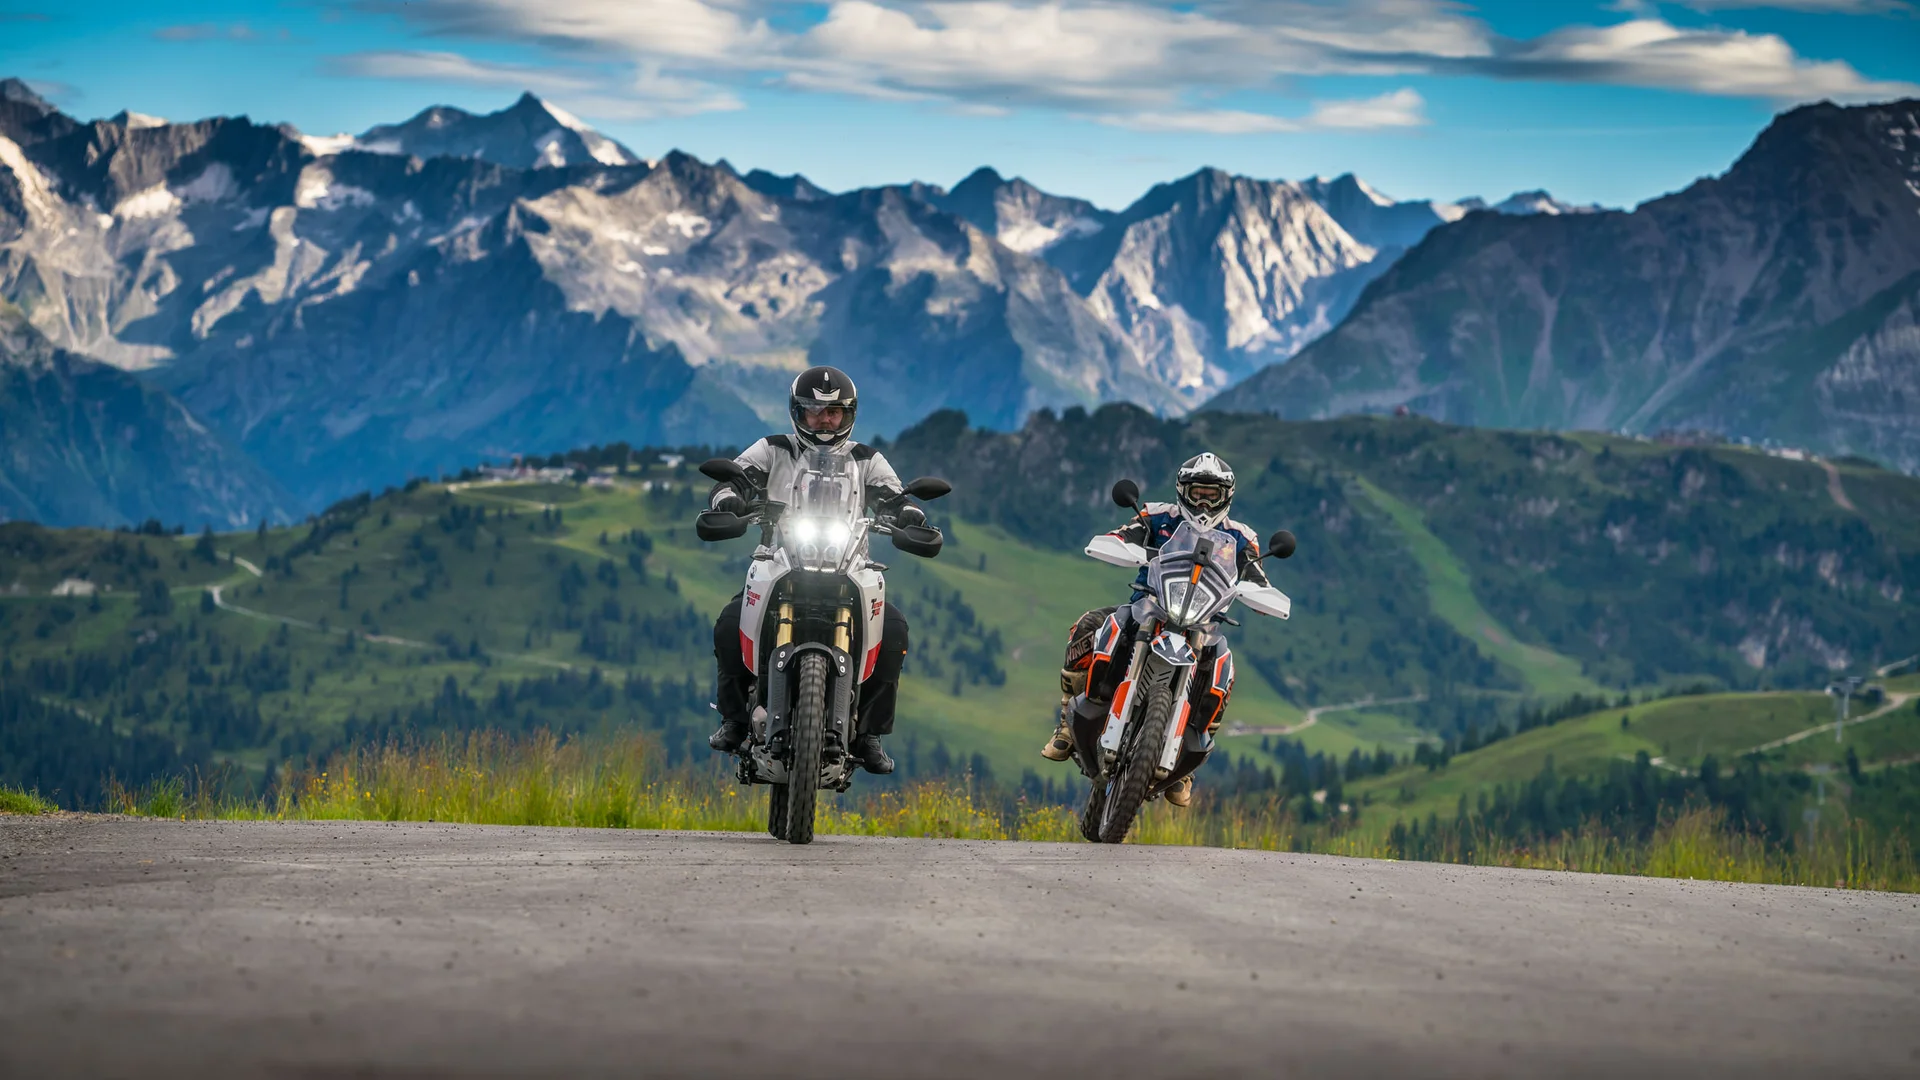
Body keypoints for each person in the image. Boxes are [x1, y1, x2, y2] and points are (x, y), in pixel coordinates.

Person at [705, 365, 924, 775]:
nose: (825, 420)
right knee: (729, 623)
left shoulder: (866, 459)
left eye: (834, 412)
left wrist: (909, 513)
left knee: (893, 630)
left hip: (848, 565)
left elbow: (893, 496)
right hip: (781, 560)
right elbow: (735, 478)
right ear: (798, 412)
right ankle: (734, 719)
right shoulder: (772, 449)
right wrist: (728, 498)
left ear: (848, 415)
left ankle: (868, 733)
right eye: (814, 411)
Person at [1040, 453, 1267, 807]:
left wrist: (1260, 592)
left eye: (1212, 494)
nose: (1204, 501)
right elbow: (1121, 534)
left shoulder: (1241, 536)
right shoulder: (1156, 514)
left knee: (1223, 668)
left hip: (1202, 620)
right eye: (1197, 493)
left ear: (1226, 496)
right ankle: (1067, 723)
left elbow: (1257, 577)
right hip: (1149, 607)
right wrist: (1120, 545)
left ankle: (1186, 765)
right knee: (1092, 625)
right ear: (1182, 491)